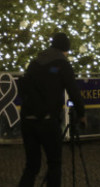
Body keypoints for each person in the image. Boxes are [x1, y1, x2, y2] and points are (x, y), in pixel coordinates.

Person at [18, 32, 86, 187]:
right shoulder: (62, 63)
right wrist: (82, 114)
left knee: (31, 166)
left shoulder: (35, 61)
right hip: (48, 120)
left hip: (27, 118)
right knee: (54, 163)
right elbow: (73, 91)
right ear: (65, 49)